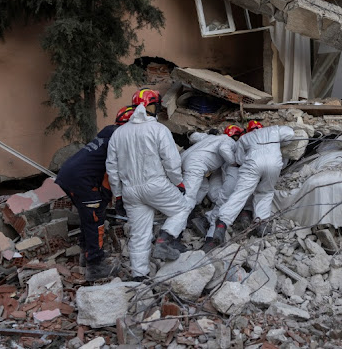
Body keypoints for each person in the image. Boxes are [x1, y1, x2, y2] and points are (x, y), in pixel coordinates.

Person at [106, 88, 191, 281]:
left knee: (139, 234)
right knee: (181, 209)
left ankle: (139, 276)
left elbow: (112, 169)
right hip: (156, 185)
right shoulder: (158, 129)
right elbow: (171, 161)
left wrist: (118, 195)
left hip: (130, 191)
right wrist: (178, 182)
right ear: (151, 105)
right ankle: (165, 240)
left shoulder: (119, 134)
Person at [55, 105, 134, 281]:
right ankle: (95, 266)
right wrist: (109, 200)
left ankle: (86, 253)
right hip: (81, 179)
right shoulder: (120, 142)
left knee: (88, 216)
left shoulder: (109, 133)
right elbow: (109, 175)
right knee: (95, 218)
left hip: (69, 174)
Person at [209, 120, 294, 249]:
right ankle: (261, 224)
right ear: (261, 127)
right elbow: (290, 134)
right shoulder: (274, 129)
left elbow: (239, 160)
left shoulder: (245, 138)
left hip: (253, 164)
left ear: (248, 130)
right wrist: (279, 143)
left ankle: (222, 224)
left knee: (240, 193)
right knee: (265, 192)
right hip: (274, 163)